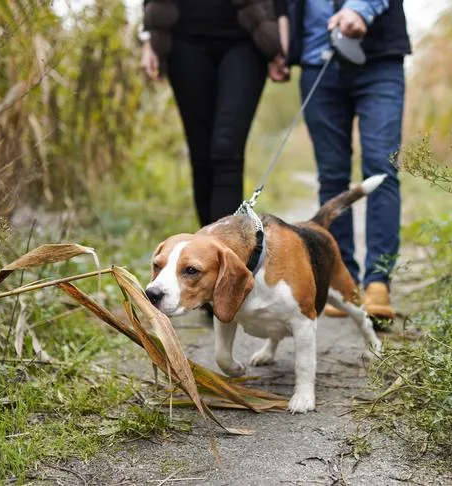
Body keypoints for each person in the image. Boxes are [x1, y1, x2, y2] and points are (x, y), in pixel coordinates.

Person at [273, 0, 411, 320]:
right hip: (315, 63)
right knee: (332, 176)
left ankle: (378, 282)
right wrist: (278, 48)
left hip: (379, 61)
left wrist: (361, 9)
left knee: (382, 167)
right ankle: (344, 281)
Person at [140, 0, 287, 227]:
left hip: (246, 39)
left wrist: (278, 39)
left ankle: (224, 248)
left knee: (227, 149)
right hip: (184, 39)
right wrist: (150, 37)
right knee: (201, 156)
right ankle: (207, 254)